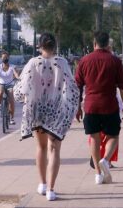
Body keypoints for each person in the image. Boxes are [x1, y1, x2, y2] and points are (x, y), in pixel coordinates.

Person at [13, 33, 79, 202]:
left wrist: (25, 99)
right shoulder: (62, 63)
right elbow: (72, 88)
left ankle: (42, 183)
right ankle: (51, 189)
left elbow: (21, 88)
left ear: (39, 46)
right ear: (54, 46)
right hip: (56, 109)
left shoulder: (32, 63)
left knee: (41, 147)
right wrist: (73, 107)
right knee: (54, 149)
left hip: (37, 109)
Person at [75, 31, 123, 185]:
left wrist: (77, 107)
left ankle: (98, 174)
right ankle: (105, 160)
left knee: (94, 138)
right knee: (113, 136)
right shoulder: (115, 61)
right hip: (109, 105)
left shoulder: (84, 61)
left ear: (94, 44)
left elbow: (77, 86)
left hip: (90, 106)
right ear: (107, 44)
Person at [0, 52, 20, 122]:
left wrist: (18, 77)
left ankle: (12, 118)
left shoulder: (12, 67)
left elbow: (15, 73)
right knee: (0, 92)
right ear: (1, 58)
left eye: (6, 57)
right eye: (3, 57)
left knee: (11, 101)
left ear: (8, 58)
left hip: (10, 84)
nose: (4, 59)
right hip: (1, 83)